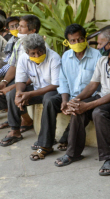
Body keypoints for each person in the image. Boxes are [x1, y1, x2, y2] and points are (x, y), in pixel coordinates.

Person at [54, 29, 110, 174]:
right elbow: (92, 85)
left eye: (100, 44)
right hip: (103, 96)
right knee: (78, 108)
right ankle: (73, 153)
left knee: (99, 112)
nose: (97, 47)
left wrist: (88, 105)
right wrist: (75, 101)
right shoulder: (102, 60)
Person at [34, 23, 101, 157]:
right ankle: (45, 144)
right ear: (68, 41)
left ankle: (66, 139)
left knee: (79, 107)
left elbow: (95, 84)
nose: (77, 42)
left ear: (85, 38)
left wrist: (76, 100)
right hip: (70, 95)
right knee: (51, 102)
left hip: (89, 96)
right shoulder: (66, 56)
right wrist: (65, 100)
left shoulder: (97, 56)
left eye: (80, 39)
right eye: (73, 40)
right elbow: (63, 81)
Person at [0, 34, 60, 149]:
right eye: (33, 53)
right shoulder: (23, 58)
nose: (37, 55)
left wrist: (29, 94)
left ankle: (47, 139)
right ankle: (15, 131)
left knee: (49, 99)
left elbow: (55, 85)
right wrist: (19, 95)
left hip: (52, 91)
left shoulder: (54, 58)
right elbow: (20, 81)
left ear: (44, 48)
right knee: (12, 94)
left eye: (40, 51)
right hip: (36, 89)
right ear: (27, 52)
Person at [0, 15, 40, 128]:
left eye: (21, 26)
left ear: (33, 30)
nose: (18, 29)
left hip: (33, 82)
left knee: (12, 94)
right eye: (18, 26)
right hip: (20, 79)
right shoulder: (19, 43)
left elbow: (36, 75)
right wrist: (4, 82)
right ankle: (18, 118)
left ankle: (15, 128)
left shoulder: (39, 46)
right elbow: (13, 65)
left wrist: (11, 87)